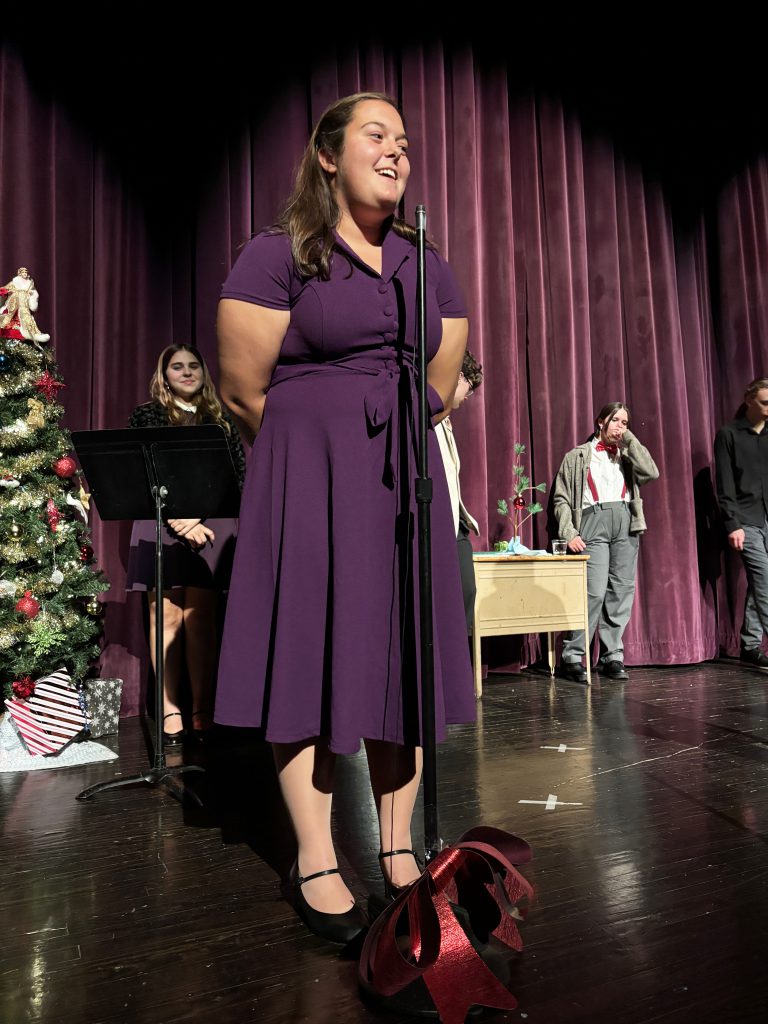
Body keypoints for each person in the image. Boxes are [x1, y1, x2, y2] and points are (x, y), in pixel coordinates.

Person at [213, 92, 475, 944]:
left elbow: (441, 381)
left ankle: (398, 851)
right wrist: (313, 452)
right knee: (308, 652)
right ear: (328, 156)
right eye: (377, 134)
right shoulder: (276, 253)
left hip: (405, 481)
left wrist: (389, 436)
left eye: (405, 138)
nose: (398, 148)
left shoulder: (426, 260)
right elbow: (242, 388)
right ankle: (317, 855)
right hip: (309, 477)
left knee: (406, 654)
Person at [126, 345, 245, 742]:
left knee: (201, 619)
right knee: (167, 616)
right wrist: (179, 519)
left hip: (212, 523)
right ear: (165, 374)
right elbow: (139, 475)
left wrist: (197, 518)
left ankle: (202, 707)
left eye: (193, 365)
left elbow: (237, 479)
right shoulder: (146, 415)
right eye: (178, 366)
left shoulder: (221, 418)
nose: (187, 372)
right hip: (160, 522)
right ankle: (168, 706)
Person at [553, 402, 658, 682]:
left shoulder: (627, 455)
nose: (620, 428)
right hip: (593, 521)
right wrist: (570, 532)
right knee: (593, 591)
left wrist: (630, 441)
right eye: (616, 421)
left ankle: (613, 655)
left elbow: (651, 472)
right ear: (600, 422)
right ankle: (573, 656)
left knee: (621, 590)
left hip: (626, 521)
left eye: (626, 423)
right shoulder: (577, 456)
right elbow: (561, 498)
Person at [714, 377, 768, 668]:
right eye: (764, 403)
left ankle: (749, 644)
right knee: (764, 581)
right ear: (749, 401)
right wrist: (732, 523)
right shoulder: (729, 435)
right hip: (746, 520)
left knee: (760, 584)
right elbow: (724, 485)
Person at [435, 350, 482, 630]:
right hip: (440, 524)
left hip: (456, 524)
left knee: (466, 593)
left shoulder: (446, 422)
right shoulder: (431, 418)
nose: (468, 397)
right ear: (458, 376)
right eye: (469, 388)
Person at [0, 267, 50, 342]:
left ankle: (31, 333)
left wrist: (32, 294)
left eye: (26, 272)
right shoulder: (15, 281)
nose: (25, 274)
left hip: (24, 303)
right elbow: (6, 289)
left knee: (26, 316)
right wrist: (5, 292)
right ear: (20, 274)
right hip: (15, 302)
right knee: (9, 316)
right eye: (23, 272)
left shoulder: (30, 283)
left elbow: (33, 292)